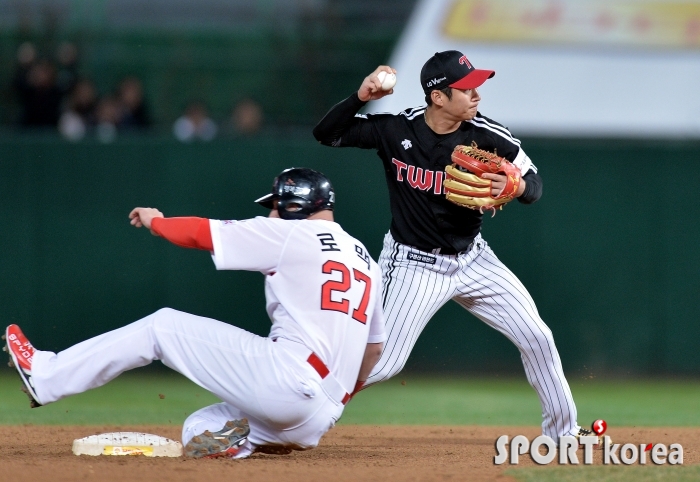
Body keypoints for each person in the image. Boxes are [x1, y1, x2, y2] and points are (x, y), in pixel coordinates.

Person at [312, 50, 598, 444]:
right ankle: (292, 410)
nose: (476, 93)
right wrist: (360, 98)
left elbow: (533, 180)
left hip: (475, 259)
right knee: (382, 364)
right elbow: (326, 134)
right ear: (438, 97)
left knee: (538, 337)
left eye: (477, 84)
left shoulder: (488, 135)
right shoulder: (397, 130)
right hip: (413, 263)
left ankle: (563, 433)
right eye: (465, 88)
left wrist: (517, 186)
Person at [3, 168, 385, 459]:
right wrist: (334, 404)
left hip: (287, 379)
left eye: (273, 207)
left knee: (160, 327)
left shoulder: (292, 233)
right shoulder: (367, 261)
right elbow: (373, 350)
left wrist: (157, 221)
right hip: (318, 417)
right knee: (200, 428)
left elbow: (204, 233)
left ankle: (46, 375)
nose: (270, 215)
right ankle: (241, 447)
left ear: (294, 206)